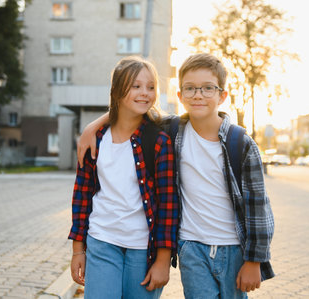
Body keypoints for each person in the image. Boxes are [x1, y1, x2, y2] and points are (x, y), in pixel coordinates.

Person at [77, 53, 275, 299]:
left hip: (234, 249)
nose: (198, 95)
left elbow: (258, 208)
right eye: (190, 89)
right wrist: (93, 125)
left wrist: (255, 261)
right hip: (191, 247)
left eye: (207, 88)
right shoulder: (173, 130)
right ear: (179, 96)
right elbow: (132, 110)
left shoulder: (240, 143)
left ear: (223, 96)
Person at [68, 56, 179, 299]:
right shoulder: (95, 140)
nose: (144, 93)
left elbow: (169, 206)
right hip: (101, 242)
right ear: (117, 90)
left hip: (143, 250)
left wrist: (163, 260)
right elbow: (82, 195)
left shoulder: (159, 141)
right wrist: (78, 250)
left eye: (151, 87)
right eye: (136, 86)